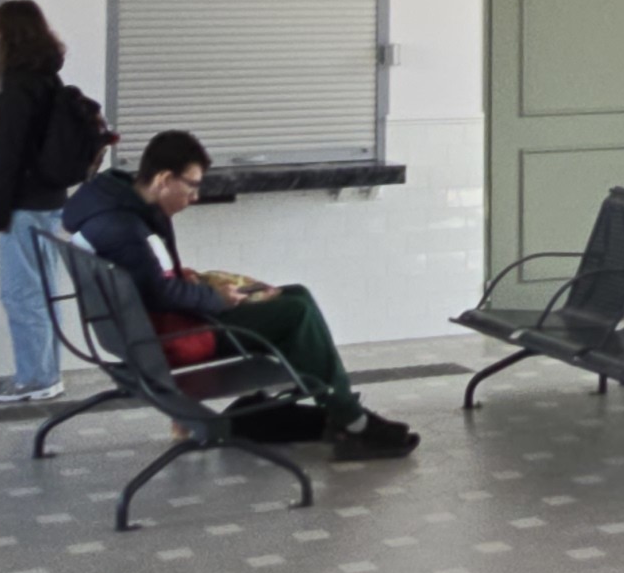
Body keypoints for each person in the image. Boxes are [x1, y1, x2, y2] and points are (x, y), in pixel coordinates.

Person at [64, 129, 415, 460]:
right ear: (164, 179)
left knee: (297, 294)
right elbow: (159, 293)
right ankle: (352, 421)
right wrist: (216, 299)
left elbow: (149, 281)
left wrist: (195, 283)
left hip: (153, 326)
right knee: (296, 314)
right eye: (191, 186)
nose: (195, 197)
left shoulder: (111, 203)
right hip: (176, 336)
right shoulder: (123, 228)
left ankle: (337, 409)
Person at [0, 0, 102, 404]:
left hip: (25, 204)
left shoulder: (18, 87)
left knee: (22, 294)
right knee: (43, 290)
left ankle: (35, 378)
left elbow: (8, 154)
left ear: (8, 36)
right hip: (51, 200)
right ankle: (46, 372)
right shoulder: (49, 78)